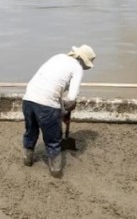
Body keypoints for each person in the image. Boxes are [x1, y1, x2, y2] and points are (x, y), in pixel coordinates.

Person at [21, 45, 96, 178]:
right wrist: (68, 108)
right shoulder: (77, 68)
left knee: (30, 131)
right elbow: (71, 98)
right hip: (47, 105)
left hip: (28, 100)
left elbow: (54, 88)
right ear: (83, 61)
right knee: (53, 140)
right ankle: (56, 171)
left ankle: (27, 160)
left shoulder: (58, 57)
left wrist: (62, 111)